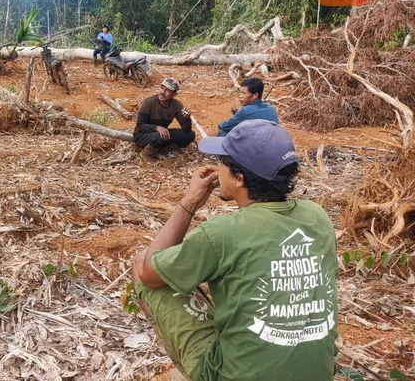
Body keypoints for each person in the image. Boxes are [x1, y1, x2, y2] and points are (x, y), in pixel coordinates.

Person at [131, 120, 338, 381]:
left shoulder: (223, 232)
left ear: (239, 178)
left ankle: (194, 371)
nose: (217, 169)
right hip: (317, 373)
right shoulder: (316, 216)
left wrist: (189, 202)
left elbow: (150, 272)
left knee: (142, 268)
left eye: (222, 162)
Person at [133, 78, 195, 160]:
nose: (162, 92)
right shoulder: (148, 102)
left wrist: (187, 119)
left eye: (168, 90)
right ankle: (146, 154)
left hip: (161, 134)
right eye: (162, 88)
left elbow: (186, 130)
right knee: (160, 136)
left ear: (174, 94)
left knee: (190, 135)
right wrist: (157, 128)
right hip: (142, 136)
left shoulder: (177, 105)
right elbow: (140, 126)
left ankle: (162, 149)